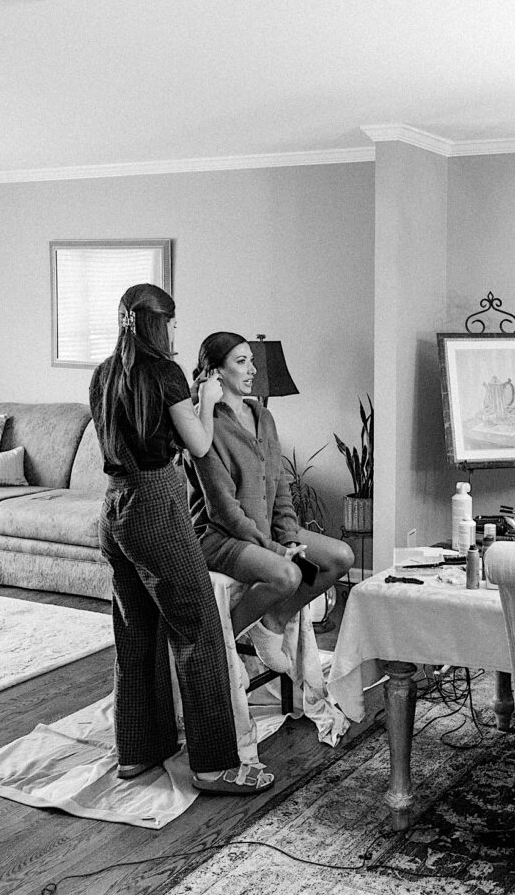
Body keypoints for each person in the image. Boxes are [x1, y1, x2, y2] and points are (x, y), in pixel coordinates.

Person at [89, 286, 274, 795]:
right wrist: (209, 403)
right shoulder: (164, 371)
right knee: (201, 630)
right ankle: (215, 765)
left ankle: (138, 751)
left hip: (114, 509)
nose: (175, 331)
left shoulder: (104, 373)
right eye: (172, 321)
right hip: (155, 505)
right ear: (159, 322)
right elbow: (198, 443)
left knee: (135, 630)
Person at [188, 331, 354, 674]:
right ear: (217, 372)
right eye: (241, 361)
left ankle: (271, 625)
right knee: (288, 575)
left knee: (340, 557)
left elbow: (279, 484)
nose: (252, 370)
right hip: (220, 537)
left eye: (252, 361)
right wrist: (277, 550)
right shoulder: (206, 426)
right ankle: (219, 649)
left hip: (265, 532)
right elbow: (223, 509)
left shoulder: (263, 417)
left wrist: (289, 536)